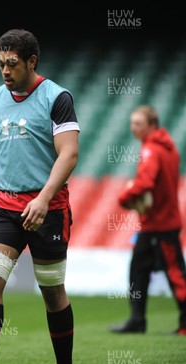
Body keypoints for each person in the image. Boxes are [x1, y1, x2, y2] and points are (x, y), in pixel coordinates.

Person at [0, 29, 80, 364]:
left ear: (31, 61)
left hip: (48, 210)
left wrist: (44, 198)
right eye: (0, 63)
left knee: (51, 292)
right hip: (3, 208)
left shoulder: (56, 98)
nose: (5, 70)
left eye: (12, 64)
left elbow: (69, 154)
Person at [110, 105, 186, 335]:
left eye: (138, 124)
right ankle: (137, 320)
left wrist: (123, 198)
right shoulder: (169, 148)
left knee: (175, 274)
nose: (133, 128)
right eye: (132, 123)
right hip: (156, 223)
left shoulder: (151, 149)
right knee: (139, 271)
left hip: (161, 225)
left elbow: (145, 183)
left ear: (152, 125)